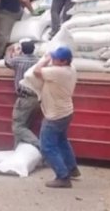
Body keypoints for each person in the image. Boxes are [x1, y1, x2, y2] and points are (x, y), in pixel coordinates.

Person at [33, 46, 79, 188]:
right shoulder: (71, 69)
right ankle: (72, 169)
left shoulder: (58, 72)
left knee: (46, 147)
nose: (52, 60)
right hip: (66, 112)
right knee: (62, 141)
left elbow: (36, 71)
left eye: (55, 59)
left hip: (55, 115)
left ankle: (63, 177)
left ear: (63, 61)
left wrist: (45, 60)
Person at [4, 40, 40, 149]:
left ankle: (40, 146)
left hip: (24, 98)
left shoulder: (18, 60)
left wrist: (9, 51)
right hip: (36, 98)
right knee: (25, 125)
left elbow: (7, 62)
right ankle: (19, 151)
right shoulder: (38, 61)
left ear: (22, 50)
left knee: (18, 127)